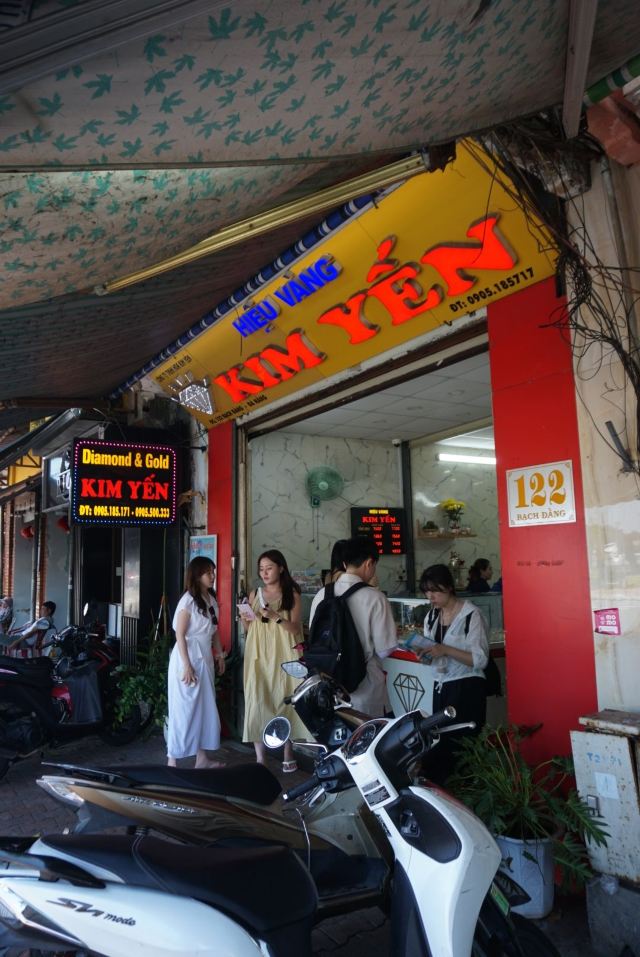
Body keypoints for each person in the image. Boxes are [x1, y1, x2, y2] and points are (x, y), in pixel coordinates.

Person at [417, 564, 489, 786]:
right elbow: (434, 651)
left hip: (467, 688)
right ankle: (445, 793)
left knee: (462, 746)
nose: (431, 597)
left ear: (449, 587)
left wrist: (445, 649)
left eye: (435, 591)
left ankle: (466, 793)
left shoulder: (471, 615)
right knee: (441, 743)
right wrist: (424, 655)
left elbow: (480, 660)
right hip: (441, 686)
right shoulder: (431, 616)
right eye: (427, 592)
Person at [309, 535, 396, 717]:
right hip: (365, 687)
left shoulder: (321, 595)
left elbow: (314, 636)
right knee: (368, 733)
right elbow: (384, 650)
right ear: (369, 563)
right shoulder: (375, 598)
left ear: (344, 563)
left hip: (328, 686)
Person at [239, 549, 307, 772]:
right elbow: (249, 628)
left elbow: (295, 628)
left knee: (285, 697)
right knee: (256, 697)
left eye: (269, 568)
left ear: (281, 568)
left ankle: (288, 751)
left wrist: (276, 617)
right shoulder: (255, 594)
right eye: (261, 569)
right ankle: (261, 758)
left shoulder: (292, 594)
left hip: (284, 652)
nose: (265, 573)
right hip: (258, 653)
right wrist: (245, 618)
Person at [167, 557, 226, 769]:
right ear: (196, 575)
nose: (212, 576)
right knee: (184, 708)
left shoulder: (210, 598)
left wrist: (220, 655)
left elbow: (214, 630)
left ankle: (202, 758)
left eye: (213, 571)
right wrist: (186, 665)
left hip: (205, 657)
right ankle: (172, 760)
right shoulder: (188, 601)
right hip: (188, 657)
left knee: (204, 707)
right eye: (208, 572)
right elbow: (180, 634)